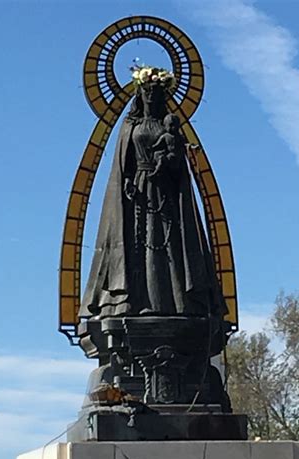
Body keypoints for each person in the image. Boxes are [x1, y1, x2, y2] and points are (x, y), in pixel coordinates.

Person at [79, 67, 226, 330]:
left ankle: (176, 302)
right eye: (147, 94)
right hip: (137, 195)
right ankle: (131, 302)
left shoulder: (169, 125)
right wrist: (127, 182)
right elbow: (122, 165)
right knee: (137, 245)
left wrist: (169, 164)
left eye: (156, 95)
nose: (151, 99)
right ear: (140, 95)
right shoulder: (129, 126)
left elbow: (179, 160)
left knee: (167, 246)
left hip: (166, 193)